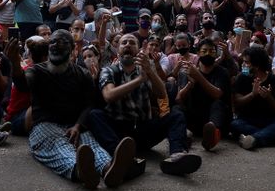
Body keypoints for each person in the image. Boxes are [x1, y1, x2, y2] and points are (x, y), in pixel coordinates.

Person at [26, 30, 135, 189]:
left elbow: (89, 104)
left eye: (63, 42)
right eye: (54, 42)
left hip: (74, 125)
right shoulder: (37, 70)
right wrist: (15, 64)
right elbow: (23, 82)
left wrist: (78, 126)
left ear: (72, 50)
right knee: (60, 148)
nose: (57, 45)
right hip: (46, 126)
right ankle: (81, 172)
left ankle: (109, 170)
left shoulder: (82, 74)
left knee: (90, 145)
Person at [86, 34, 202, 176]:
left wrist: (149, 71)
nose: (128, 45)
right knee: (94, 115)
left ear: (139, 50)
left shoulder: (145, 69)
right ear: (117, 49)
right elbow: (109, 96)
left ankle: (177, 156)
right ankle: (123, 157)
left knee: (176, 114)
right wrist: (139, 80)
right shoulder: (109, 70)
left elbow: (161, 94)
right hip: (119, 132)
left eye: (132, 43)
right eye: (124, 43)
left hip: (144, 129)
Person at [232, 45, 275, 150]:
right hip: (247, 120)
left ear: (257, 65)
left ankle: (254, 138)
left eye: (246, 62)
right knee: (234, 124)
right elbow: (237, 104)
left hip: (269, 120)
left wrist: (268, 97)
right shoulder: (241, 78)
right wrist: (252, 94)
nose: (243, 65)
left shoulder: (274, 80)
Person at [175, 38, 231, 151]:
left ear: (216, 54)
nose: (208, 54)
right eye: (204, 51)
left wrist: (198, 76)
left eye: (212, 51)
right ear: (198, 53)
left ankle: (211, 136)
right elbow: (179, 99)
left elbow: (217, 95)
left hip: (213, 118)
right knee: (177, 108)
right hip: (194, 117)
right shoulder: (186, 71)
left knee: (218, 104)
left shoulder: (222, 72)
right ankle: (184, 134)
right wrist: (190, 84)